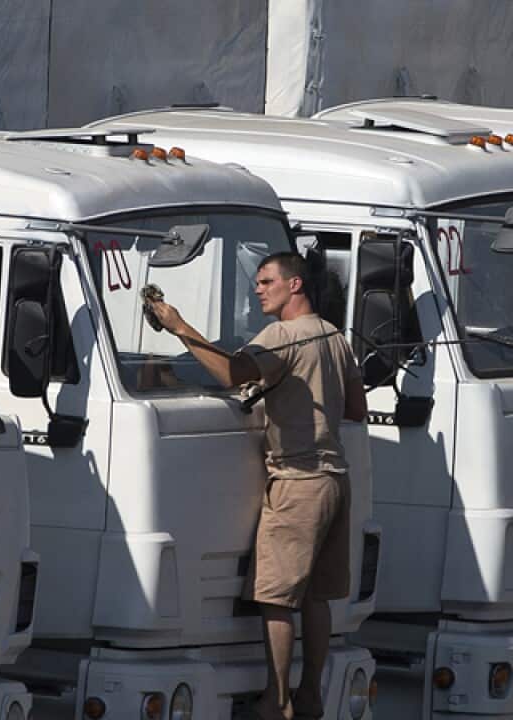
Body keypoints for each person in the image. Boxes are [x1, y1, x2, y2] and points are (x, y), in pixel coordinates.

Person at [145, 251, 367, 720]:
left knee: (276, 598)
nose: (258, 289)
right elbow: (356, 410)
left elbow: (229, 373)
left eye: (267, 281)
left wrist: (179, 326)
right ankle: (310, 695)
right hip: (335, 480)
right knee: (317, 597)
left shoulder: (282, 335)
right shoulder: (333, 335)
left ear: (296, 285)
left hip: (297, 482)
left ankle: (278, 700)